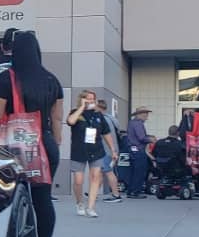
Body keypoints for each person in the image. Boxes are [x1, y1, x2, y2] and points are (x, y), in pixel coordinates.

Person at [0, 30, 63, 237]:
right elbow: (57, 119)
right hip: (45, 146)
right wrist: (53, 145)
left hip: (14, 147)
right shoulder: (52, 80)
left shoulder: (5, 80)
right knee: (43, 199)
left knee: (9, 199)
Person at [66, 89, 117, 217]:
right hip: (79, 150)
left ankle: (91, 207)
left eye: (92, 99)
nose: (91, 101)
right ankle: (79, 203)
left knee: (95, 177)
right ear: (82, 99)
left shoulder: (98, 115)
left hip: (96, 149)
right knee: (78, 180)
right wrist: (82, 107)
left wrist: (113, 149)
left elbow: (106, 133)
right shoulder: (76, 113)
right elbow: (70, 121)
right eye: (88, 98)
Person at [95, 99, 124, 203]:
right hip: (113, 149)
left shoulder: (102, 120)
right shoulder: (112, 119)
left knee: (108, 172)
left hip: (106, 150)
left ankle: (116, 195)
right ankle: (94, 192)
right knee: (100, 172)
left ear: (98, 107)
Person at [124, 107, 155, 198]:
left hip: (132, 149)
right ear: (140, 114)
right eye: (145, 114)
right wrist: (151, 140)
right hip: (138, 149)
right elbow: (141, 137)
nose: (147, 116)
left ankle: (131, 191)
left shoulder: (132, 122)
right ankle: (135, 191)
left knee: (133, 171)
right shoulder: (138, 124)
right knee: (140, 171)